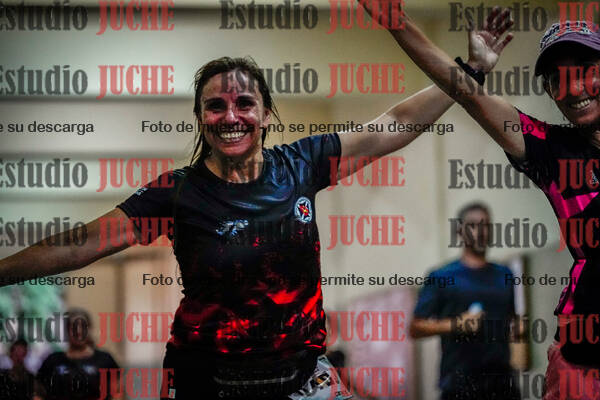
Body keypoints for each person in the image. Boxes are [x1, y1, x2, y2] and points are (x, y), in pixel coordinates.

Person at [0, 15, 512, 398]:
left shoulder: (303, 164)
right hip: (206, 379)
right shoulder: (177, 192)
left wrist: (470, 72)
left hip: (301, 376)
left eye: (244, 103)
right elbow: (82, 243)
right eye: (215, 105)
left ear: (266, 114)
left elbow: (396, 124)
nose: (231, 116)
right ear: (201, 117)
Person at [358, 1, 600, 399]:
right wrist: (397, 22)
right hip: (583, 365)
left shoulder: (502, 276)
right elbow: (470, 96)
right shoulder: (554, 152)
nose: (573, 89)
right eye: (557, 79)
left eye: (585, 71)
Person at [410, 202, 521, 400]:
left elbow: (512, 319)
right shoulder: (441, 276)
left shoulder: (504, 274)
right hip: (458, 385)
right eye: (473, 225)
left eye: (486, 225)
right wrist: (456, 324)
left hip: (502, 384)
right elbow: (415, 328)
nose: (481, 231)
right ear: (460, 231)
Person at [36, 308, 120, 400]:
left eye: (83, 327)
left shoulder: (104, 360)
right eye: (74, 327)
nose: (78, 332)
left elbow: (117, 393)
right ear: (67, 330)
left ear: (90, 329)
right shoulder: (53, 361)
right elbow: (38, 392)